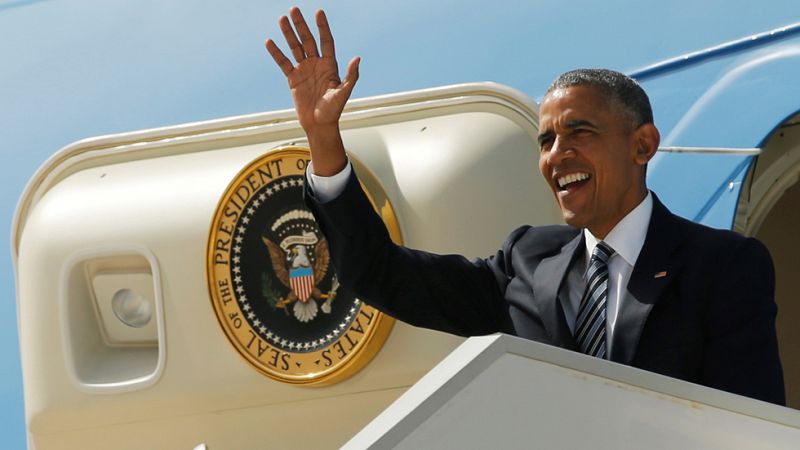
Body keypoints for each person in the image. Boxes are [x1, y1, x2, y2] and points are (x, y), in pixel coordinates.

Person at [265, 7, 785, 405]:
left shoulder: (724, 266)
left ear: (643, 145)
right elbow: (379, 273)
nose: (558, 155)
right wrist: (324, 140)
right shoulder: (527, 261)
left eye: (579, 132)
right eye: (545, 141)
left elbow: (753, 426)